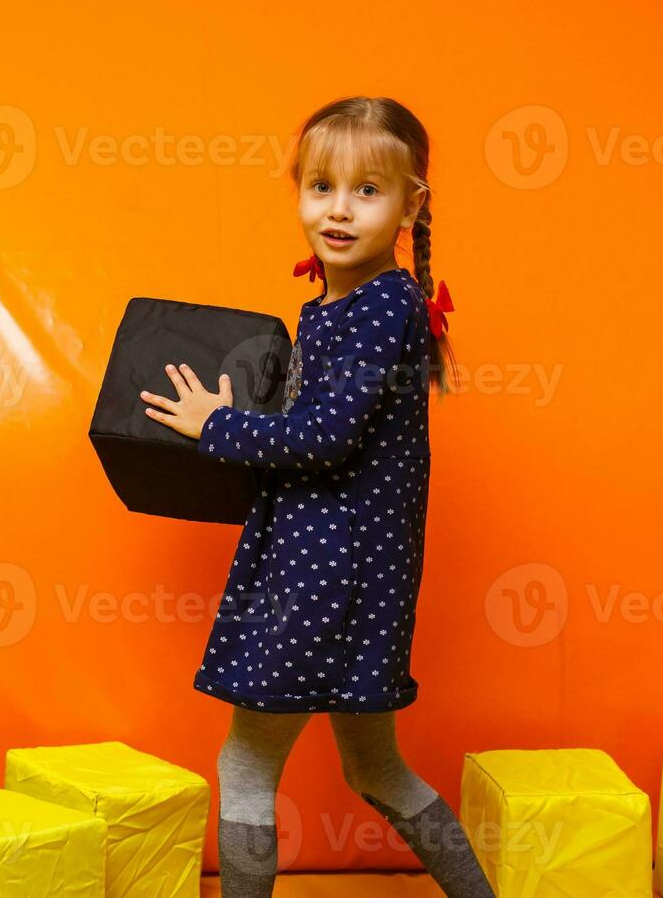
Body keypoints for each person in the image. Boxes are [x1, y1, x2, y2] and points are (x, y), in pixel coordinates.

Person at [138, 96, 489, 897]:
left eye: (368, 190)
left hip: (325, 574)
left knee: (247, 764)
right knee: (376, 766)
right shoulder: (340, 304)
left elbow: (326, 439)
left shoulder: (378, 308)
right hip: (342, 567)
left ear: (411, 204)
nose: (338, 209)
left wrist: (216, 425)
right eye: (321, 185)